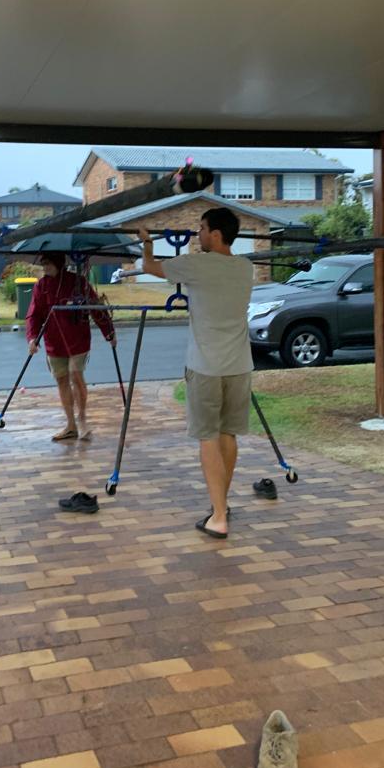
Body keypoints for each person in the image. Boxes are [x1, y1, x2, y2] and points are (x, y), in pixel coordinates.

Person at [139, 208, 253, 538]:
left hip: (205, 367)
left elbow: (149, 267)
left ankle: (218, 517)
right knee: (228, 435)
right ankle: (221, 506)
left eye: (201, 228)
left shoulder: (196, 265)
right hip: (239, 366)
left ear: (215, 234)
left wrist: (147, 243)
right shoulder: (245, 267)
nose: (197, 234)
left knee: (208, 437)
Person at [26, 252, 116, 441]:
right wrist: (32, 338)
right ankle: (71, 425)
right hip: (53, 342)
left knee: (76, 374)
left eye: (48, 263)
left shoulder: (78, 282)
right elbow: (34, 314)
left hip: (78, 340)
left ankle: (82, 419)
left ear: (59, 263)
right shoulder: (41, 286)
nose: (45, 267)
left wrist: (109, 333)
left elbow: (95, 307)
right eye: (43, 263)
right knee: (61, 380)